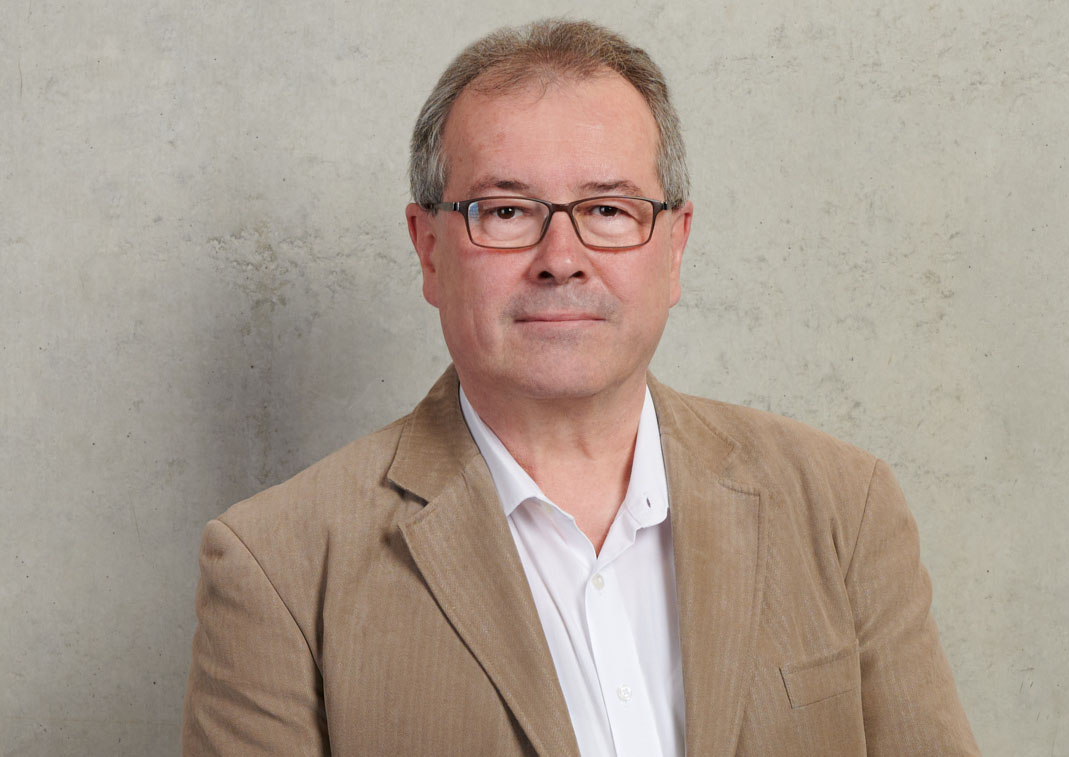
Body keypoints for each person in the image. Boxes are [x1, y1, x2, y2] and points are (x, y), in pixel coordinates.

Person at [182, 18, 979, 756]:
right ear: (428, 250)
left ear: (674, 248)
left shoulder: (844, 506)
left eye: (607, 208)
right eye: (504, 211)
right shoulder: (278, 568)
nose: (560, 255)